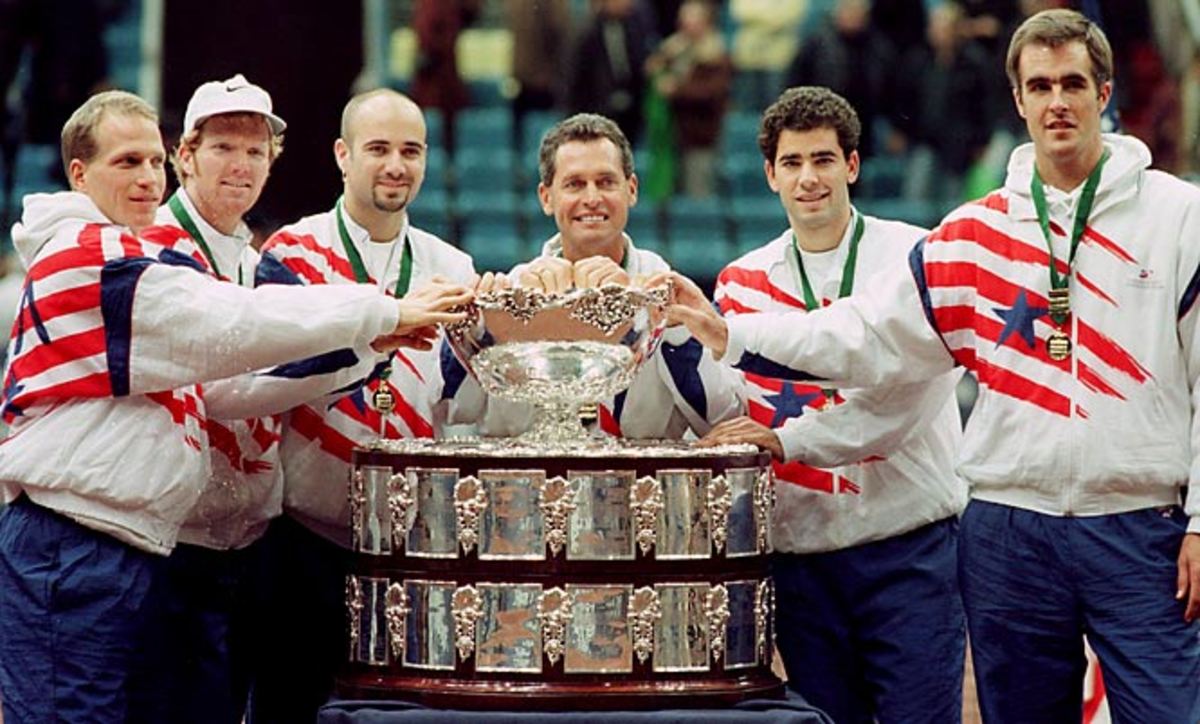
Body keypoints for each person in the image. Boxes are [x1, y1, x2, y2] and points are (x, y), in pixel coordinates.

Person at [667, 10, 1200, 723]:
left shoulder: (1180, 216)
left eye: (1074, 83)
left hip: (1139, 523)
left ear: (1105, 93)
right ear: (1017, 99)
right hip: (1010, 526)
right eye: (1039, 85)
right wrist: (731, 334)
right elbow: (864, 337)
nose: (1057, 101)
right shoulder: (974, 233)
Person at [0, 90, 470, 724]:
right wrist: (378, 313)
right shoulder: (97, 256)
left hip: (168, 543)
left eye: (149, 164)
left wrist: (363, 348)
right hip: (82, 540)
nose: (145, 179)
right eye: (126, 162)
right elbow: (230, 326)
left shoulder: (215, 258)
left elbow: (227, 383)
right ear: (188, 156)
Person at [705, 86, 966, 723]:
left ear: (852, 164)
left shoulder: (914, 256)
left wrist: (791, 443)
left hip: (909, 548)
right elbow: (727, 413)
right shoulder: (741, 283)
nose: (808, 178)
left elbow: (907, 405)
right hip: (802, 556)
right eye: (791, 163)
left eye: (823, 160)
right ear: (770, 175)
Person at [137, 74, 393, 724]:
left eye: (256, 151)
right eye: (224, 146)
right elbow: (221, 391)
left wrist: (369, 336)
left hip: (249, 539)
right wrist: (368, 341)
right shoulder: (156, 251)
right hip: (172, 544)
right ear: (184, 155)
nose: (242, 165)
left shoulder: (259, 262)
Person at [249, 88, 477, 724]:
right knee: (288, 707)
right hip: (300, 534)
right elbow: (272, 375)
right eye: (378, 149)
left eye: (410, 150)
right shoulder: (293, 254)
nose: (395, 165)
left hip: (403, 547)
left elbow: (460, 402)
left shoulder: (451, 265)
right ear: (342, 155)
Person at [449, 112, 741, 439]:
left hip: (640, 487)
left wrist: (658, 323)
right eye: (574, 184)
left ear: (631, 190)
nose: (591, 198)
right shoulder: (509, 293)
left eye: (605, 182)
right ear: (547, 198)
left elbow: (721, 418)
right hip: (526, 486)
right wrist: (481, 328)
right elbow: (454, 410)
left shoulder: (670, 293)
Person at [645, 0, 732, 199]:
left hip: (700, 137)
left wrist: (677, 90)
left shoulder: (716, 54)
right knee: (670, 193)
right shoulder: (675, 49)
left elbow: (711, 93)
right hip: (673, 136)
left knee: (698, 192)